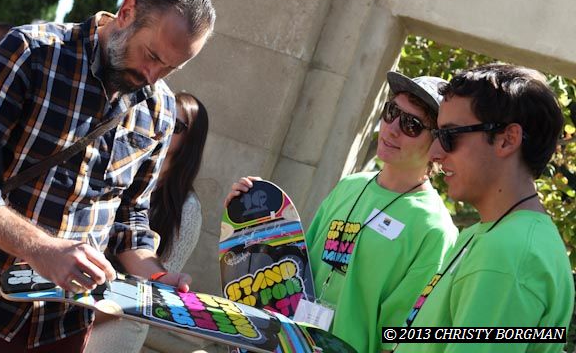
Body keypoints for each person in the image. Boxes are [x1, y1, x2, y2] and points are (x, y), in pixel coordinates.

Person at [0, 0, 215, 352]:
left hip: (65, 327)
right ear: (127, 11)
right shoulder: (31, 53)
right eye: (151, 55)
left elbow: (130, 215)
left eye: (170, 68)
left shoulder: (160, 108)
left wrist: (155, 277)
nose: (152, 76)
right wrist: (42, 249)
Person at [226, 72, 458, 353]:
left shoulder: (435, 229)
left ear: (438, 142)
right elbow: (295, 267)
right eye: (391, 112)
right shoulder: (350, 185)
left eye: (412, 125)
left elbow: (398, 339)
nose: (392, 128)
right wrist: (249, 219)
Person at [394, 64, 575, 353]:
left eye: (450, 136)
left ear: (507, 139)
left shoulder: (510, 254)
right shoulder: (491, 234)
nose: (435, 153)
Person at [85, 91, 209, 353]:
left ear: (190, 141)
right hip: (78, 293)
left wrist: (88, 315)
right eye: (165, 119)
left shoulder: (186, 208)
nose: (166, 127)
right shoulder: (122, 168)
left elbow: (157, 288)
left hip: (123, 314)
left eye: (177, 126)